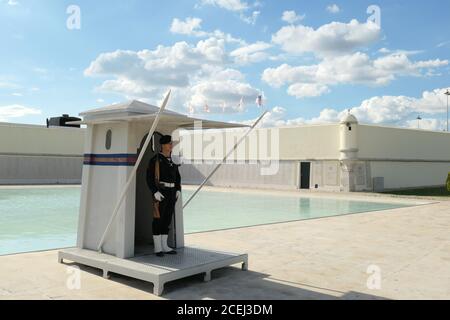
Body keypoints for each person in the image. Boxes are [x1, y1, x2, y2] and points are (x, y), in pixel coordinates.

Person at [146, 135, 181, 257]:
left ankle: (165, 246)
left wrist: (178, 189)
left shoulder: (173, 159)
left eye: (171, 143)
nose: (171, 145)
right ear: (163, 145)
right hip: (161, 192)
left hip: (172, 192)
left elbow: (177, 177)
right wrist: (155, 191)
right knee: (158, 219)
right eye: (169, 144)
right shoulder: (155, 160)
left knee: (167, 219)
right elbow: (149, 178)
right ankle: (158, 247)